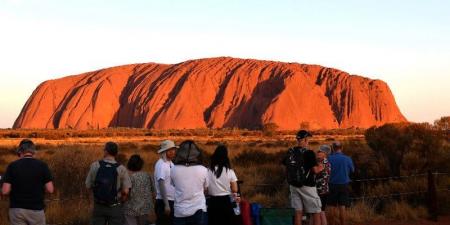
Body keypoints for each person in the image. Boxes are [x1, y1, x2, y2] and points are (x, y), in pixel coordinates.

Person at [1, 139, 54, 225]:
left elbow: (5, 191)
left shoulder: (12, 166)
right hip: (36, 210)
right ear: (33, 151)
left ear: (20, 151)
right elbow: (50, 189)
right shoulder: (42, 165)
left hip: (17, 211)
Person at [85, 141, 132, 225]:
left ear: (106, 151)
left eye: (104, 150)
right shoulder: (122, 169)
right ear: (116, 153)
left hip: (98, 206)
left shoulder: (95, 165)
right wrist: (121, 202)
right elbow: (126, 191)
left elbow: (88, 186)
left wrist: (92, 202)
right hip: (115, 206)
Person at [282, 130, 323, 225]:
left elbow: (285, 164)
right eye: (308, 139)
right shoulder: (309, 153)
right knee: (316, 212)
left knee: (298, 212)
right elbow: (315, 170)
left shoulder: (291, 151)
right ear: (305, 139)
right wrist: (321, 167)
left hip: (293, 185)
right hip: (308, 186)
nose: (308, 141)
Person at [171, 140, 209, 225]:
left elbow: (173, 185)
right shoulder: (203, 169)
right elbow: (206, 188)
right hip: (199, 210)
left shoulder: (173, 169)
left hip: (179, 211)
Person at [207, 145, 239, 225]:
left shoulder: (208, 170)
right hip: (226, 202)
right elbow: (235, 189)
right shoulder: (230, 171)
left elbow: (205, 188)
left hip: (212, 202)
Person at [328, 141, 354, 225]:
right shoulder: (347, 158)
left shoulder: (329, 158)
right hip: (344, 185)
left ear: (332, 148)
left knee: (331, 206)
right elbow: (352, 170)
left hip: (332, 185)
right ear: (342, 148)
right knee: (342, 207)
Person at [124, 154, 154, 225]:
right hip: (144, 208)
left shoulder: (128, 177)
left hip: (130, 208)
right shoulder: (147, 175)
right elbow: (153, 192)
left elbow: (126, 192)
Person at [154, 140, 178, 225]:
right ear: (164, 151)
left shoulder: (170, 163)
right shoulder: (161, 164)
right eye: (169, 150)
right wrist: (166, 205)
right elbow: (161, 183)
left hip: (171, 201)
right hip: (164, 202)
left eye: (173, 149)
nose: (173, 152)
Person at [315, 145, 332, 225]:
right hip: (325, 190)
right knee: (321, 212)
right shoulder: (327, 162)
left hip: (320, 191)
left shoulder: (322, 163)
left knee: (319, 213)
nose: (318, 152)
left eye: (320, 151)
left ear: (325, 154)